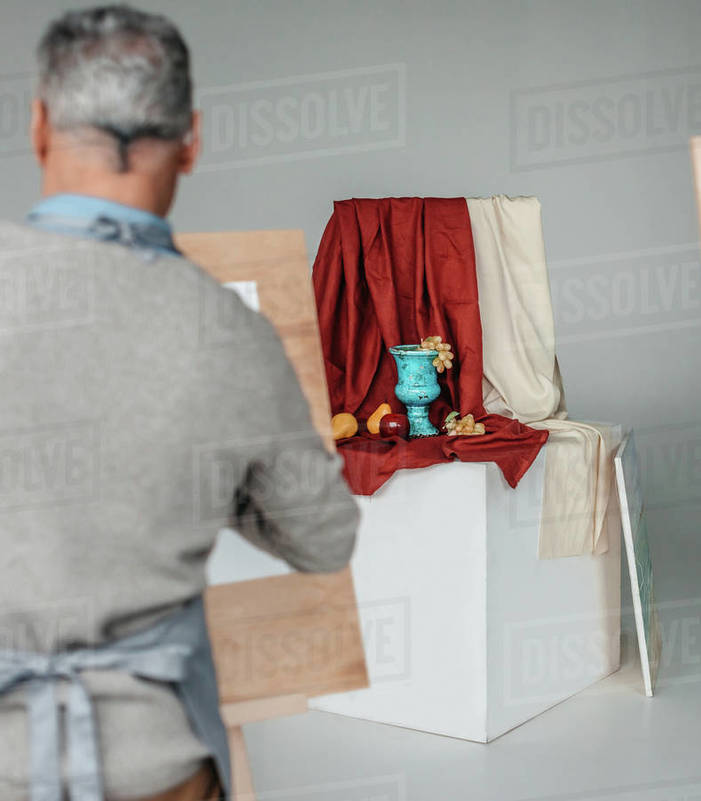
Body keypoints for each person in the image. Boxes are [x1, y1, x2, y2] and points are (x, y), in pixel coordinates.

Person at [0, 6, 359, 801]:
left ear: (38, 127)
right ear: (192, 140)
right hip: (153, 766)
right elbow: (325, 536)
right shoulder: (229, 333)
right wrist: (219, 475)